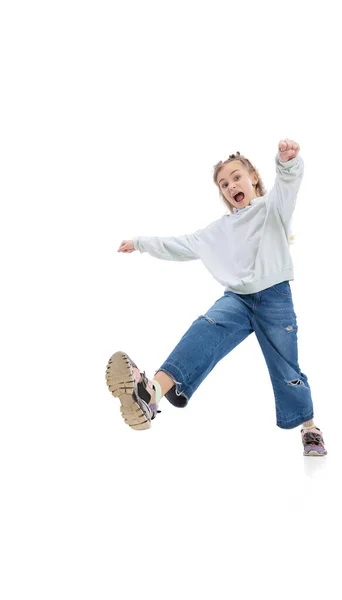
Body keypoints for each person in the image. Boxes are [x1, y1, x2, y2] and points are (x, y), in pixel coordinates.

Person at [105, 139, 327, 457]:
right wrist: (140, 243)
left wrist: (287, 162)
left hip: (275, 296)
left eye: (236, 177)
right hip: (237, 299)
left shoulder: (272, 208)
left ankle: (310, 428)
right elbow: (180, 244)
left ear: (253, 178)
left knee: (286, 367)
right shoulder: (218, 230)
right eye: (224, 184)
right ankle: (150, 393)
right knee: (204, 328)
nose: (230, 186)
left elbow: (288, 183)